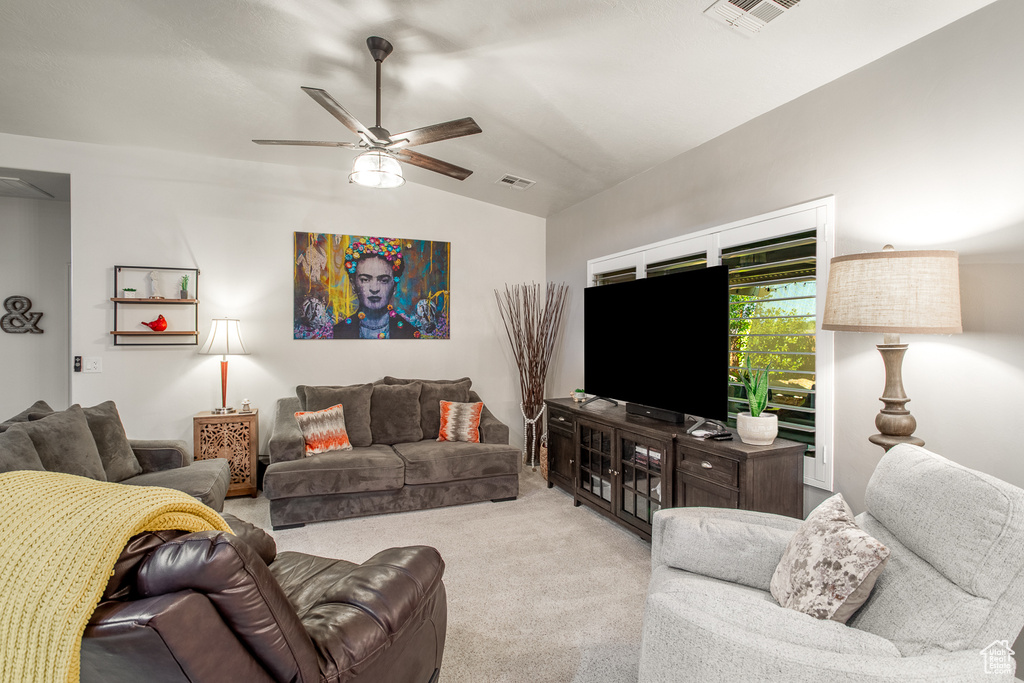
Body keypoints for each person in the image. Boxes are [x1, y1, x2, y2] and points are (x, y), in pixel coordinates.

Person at [332, 237, 419, 339]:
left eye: (383, 280)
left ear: (394, 286)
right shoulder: (338, 332)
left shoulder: (409, 333)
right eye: (365, 279)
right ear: (353, 284)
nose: (374, 288)